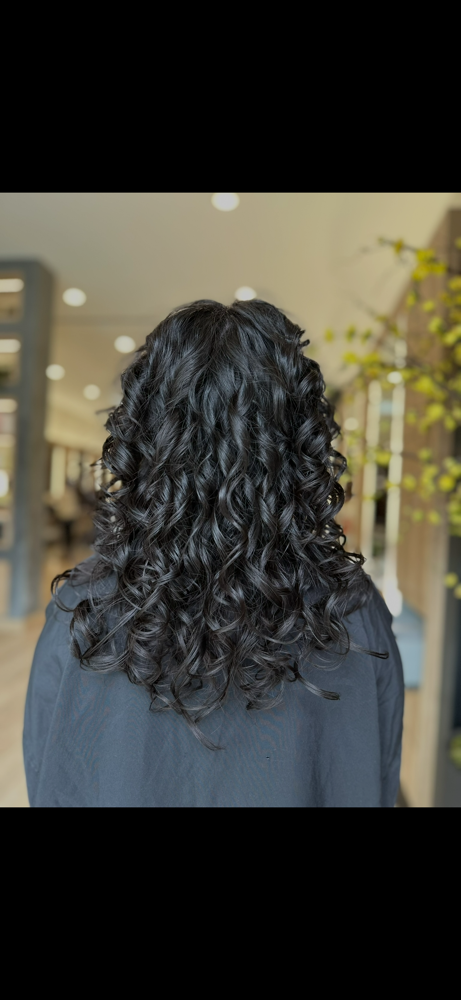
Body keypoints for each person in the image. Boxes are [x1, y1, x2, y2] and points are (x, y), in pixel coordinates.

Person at [23, 300, 404, 807]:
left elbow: (50, 780)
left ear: (146, 437)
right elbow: (378, 776)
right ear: (299, 441)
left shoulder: (82, 611)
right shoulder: (355, 613)